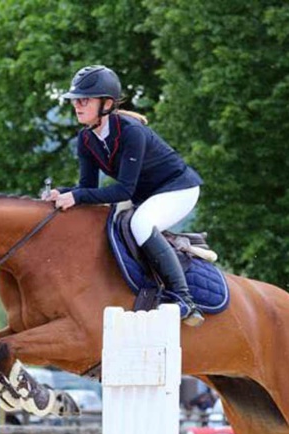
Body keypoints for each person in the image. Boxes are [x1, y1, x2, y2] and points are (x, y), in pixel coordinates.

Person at [43, 65, 206, 326]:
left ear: (106, 104)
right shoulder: (86, 139)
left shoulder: (131, 132)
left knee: (139, 224)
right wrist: (61, 193)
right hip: (148, 195)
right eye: (76, 100)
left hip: (178, 188)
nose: (77, 105)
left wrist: (77, 196)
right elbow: (87, 186)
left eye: (85, 100)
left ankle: (184, 299)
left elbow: (123, 191)